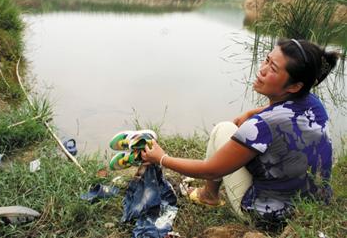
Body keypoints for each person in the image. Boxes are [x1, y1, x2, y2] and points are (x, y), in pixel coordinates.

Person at [141, 39, 339, 227]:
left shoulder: (262, 126)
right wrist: (252, 112)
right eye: (267, 60)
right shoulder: (314, 104)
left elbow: (210, 170)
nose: (261, 70)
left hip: (268, 218)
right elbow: (282, 112)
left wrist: (161, 158)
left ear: (295, 86)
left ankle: (208, 196)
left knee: (223, 130)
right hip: (312, 206)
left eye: (273, 69)